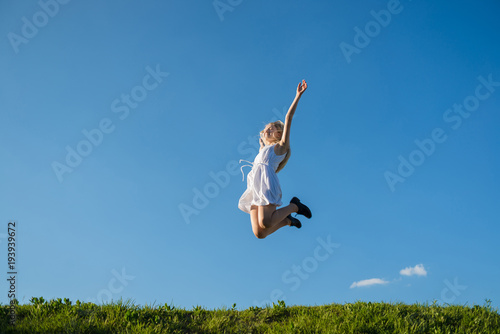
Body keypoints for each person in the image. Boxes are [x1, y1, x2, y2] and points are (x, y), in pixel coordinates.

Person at [238, 80, 312, 239]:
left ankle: (294, 206)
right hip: (253, 184)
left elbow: (289, 117)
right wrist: (261, 145)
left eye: (271, 128)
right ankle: (287, 221)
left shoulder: (281, 148)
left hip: (265, 181)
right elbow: (261, 156)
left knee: (265, 222)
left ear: (279, 134)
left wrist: (297, 96)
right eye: (265, 129)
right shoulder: (264, 149)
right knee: (259, 233)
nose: (267, 130)